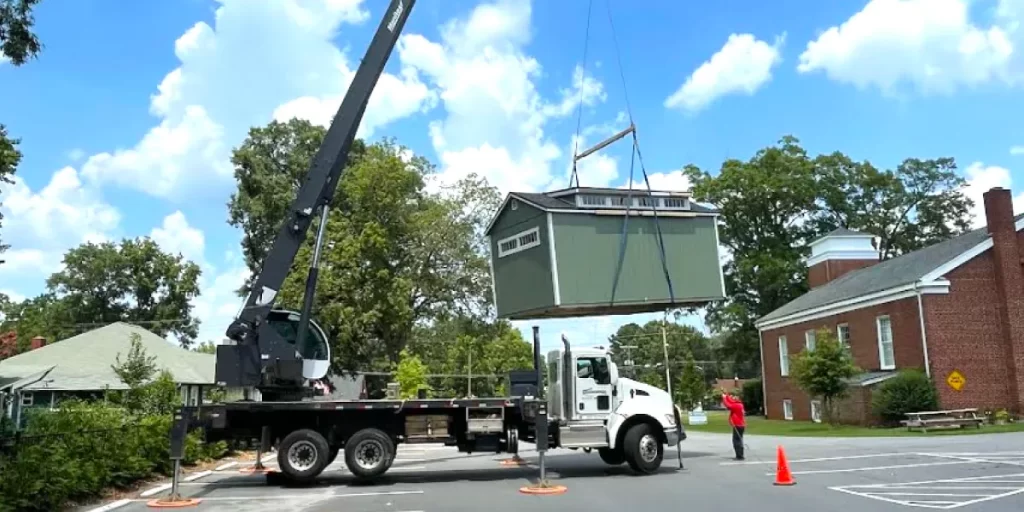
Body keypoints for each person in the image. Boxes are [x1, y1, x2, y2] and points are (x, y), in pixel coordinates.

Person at [721, 389, 746, 460]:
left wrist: (724, 398)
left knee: (737, 441)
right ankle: (739, 455)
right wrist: (726, 394)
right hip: (739, 425)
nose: (734, 397)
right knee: (738, 440)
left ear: (739, 398)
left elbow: (728, 405)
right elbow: (730, 401)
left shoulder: (737, 405)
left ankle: (740, 456)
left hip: (738, 425)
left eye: (736, 397)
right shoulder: (738, 404)